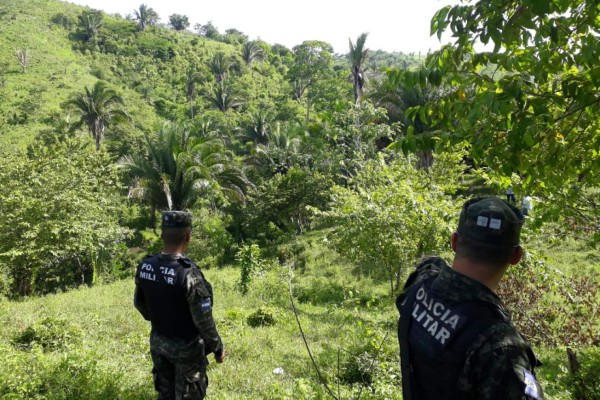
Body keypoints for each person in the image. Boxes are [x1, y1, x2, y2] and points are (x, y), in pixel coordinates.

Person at [396, 197, 544, 400]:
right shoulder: (500, 346)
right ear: (516, 256)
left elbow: (429, 266)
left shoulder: (420, 285)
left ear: (455, 241)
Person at [134, 211, 225, 400]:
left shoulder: (146, 266)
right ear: (187, 236)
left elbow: (139, 304)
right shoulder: (188, 274)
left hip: (158, 343)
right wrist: (217, 348)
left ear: (162, 235)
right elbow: (204, 321)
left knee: (165, 393)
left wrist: (162, 316)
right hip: (187, 350)